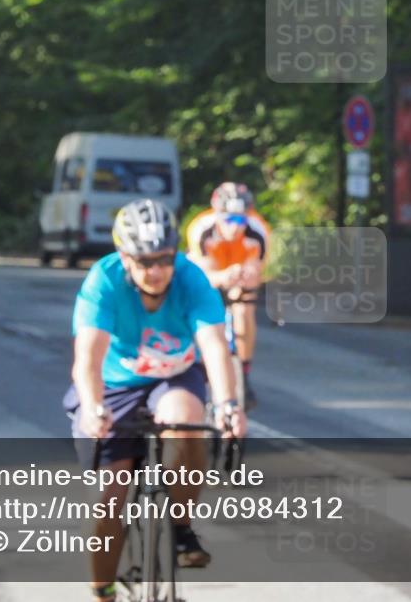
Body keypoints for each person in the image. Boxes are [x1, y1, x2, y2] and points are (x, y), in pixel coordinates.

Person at [62, 198, 247, 602]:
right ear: (124, 256)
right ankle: (103, 590)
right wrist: (94, 408)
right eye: (144, 262)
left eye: (165, 259)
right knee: (108, 498)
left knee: (187, 422)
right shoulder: (103, 280)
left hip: (175, 376)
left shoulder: (190, 278)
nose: (157, 271)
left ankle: (181, 526)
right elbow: (87, 361)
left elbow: (215, 347)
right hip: (113, 384)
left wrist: (229, 404)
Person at [186, 182, 271, 410]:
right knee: (207, 310)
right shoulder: (201, 229)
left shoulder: (258, 231)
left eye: (240, 220)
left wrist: (244, 279)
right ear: (217, 214)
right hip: (212, 269)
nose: (234, 227)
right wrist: (223, 277)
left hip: (240, 266)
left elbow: (255, 271)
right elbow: (204, 276)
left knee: (244, 308)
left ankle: (243, 370)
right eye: (229, 220)